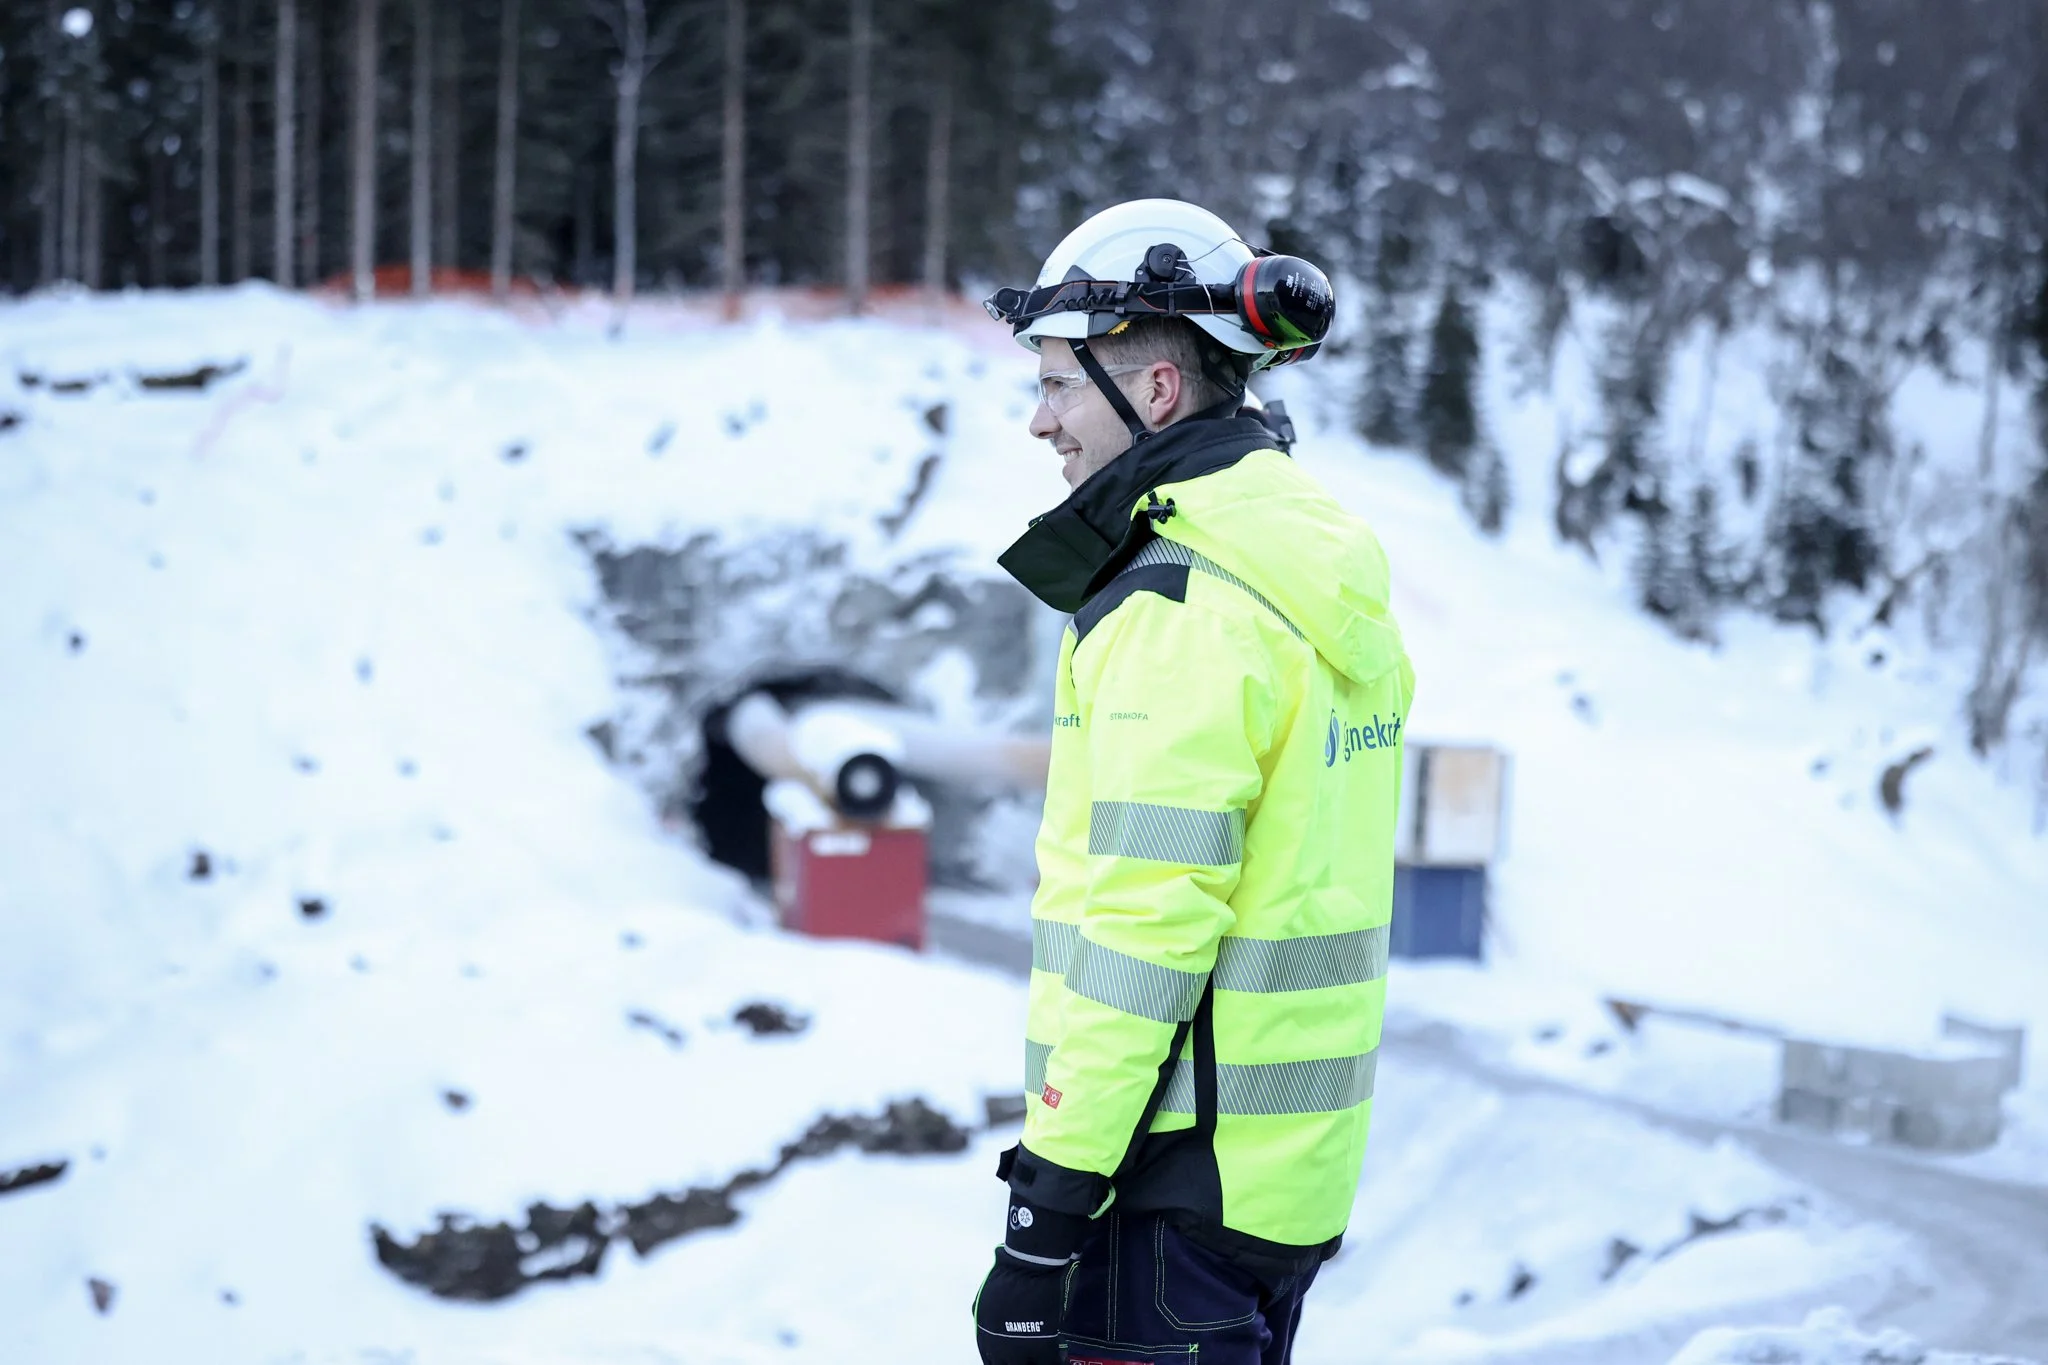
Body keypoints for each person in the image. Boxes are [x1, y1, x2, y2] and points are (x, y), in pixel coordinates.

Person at [970, 199, 1416, 1365]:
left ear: (1156, 391)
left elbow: (1142, 928)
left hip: (1156, 1195)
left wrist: (1045, 1215)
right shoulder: (1305, 567)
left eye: (1057, 383)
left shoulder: (1177, 604)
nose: (1038, 419)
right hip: (1276, 1189)